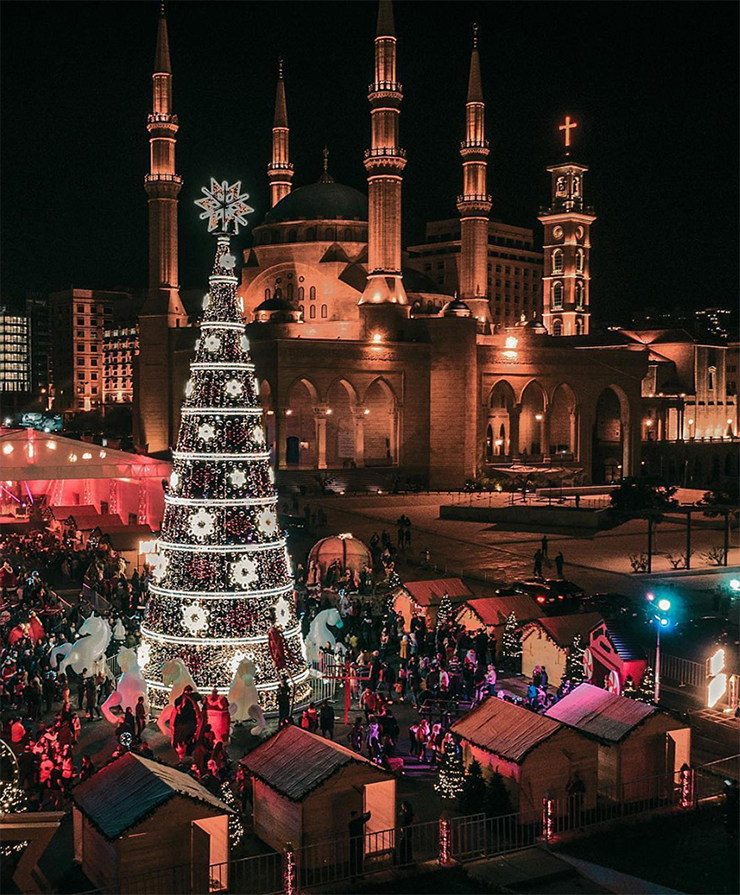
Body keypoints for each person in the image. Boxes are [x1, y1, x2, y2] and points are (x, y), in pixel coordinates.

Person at [348, 809, 372, 878]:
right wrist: (364, 815)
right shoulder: (356, 822)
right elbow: (366, 818)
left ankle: (355, 875)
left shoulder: (351, 823)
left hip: (354, 843)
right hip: (357, 842)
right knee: (357, 858)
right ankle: (358, 874)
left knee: (355, 859)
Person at [397, 800, 414, 865]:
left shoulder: (406, 815)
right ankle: (407, 860)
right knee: (406, 846)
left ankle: (405, 861)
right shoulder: (408, 813)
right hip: (407, 833)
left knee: (404, 846)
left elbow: (405, 822)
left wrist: (403, 828)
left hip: (406, 833)